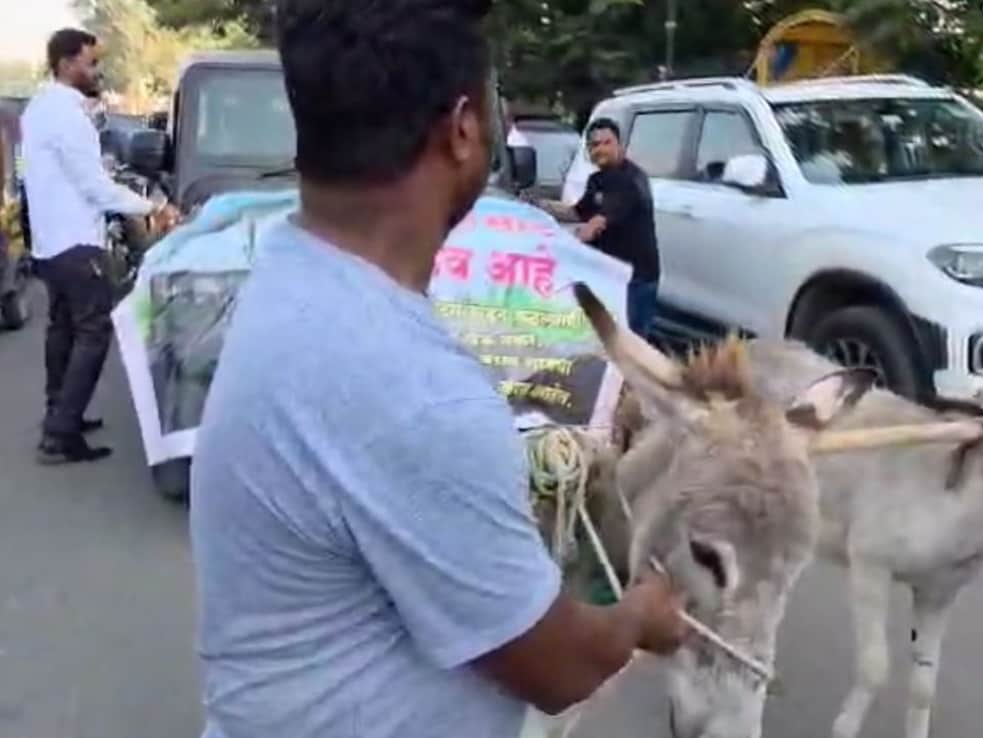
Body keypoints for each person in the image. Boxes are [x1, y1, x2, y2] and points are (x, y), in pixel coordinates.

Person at [188, 2, 687, 738]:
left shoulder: (295, 271)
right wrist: (642, 614)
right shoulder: (412, 390)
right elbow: (560, 668)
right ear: (461, 129)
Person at [20, 28, 177, 464]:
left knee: (63, 329)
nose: (97, 71)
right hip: (76, 241)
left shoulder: (38, 109)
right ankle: (60, 435)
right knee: (93, 332)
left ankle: (60, 413)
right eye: (90, 63)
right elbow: (96, 188)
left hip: (51, 242)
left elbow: (45, 172)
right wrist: (154, 207)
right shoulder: (68, 116)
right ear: (66, 63)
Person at [536, 119, 661, 339]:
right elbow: (578, 212)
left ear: (620, 145)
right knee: (607, 340)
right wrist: (539, 206)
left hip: (634, 280)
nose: (600, 149)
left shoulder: (630, 180)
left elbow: (597, 223)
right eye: (594, 145)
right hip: (611, 275)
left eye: (606, 143)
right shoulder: (597, 179)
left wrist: (566, 244)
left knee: (630, 344)